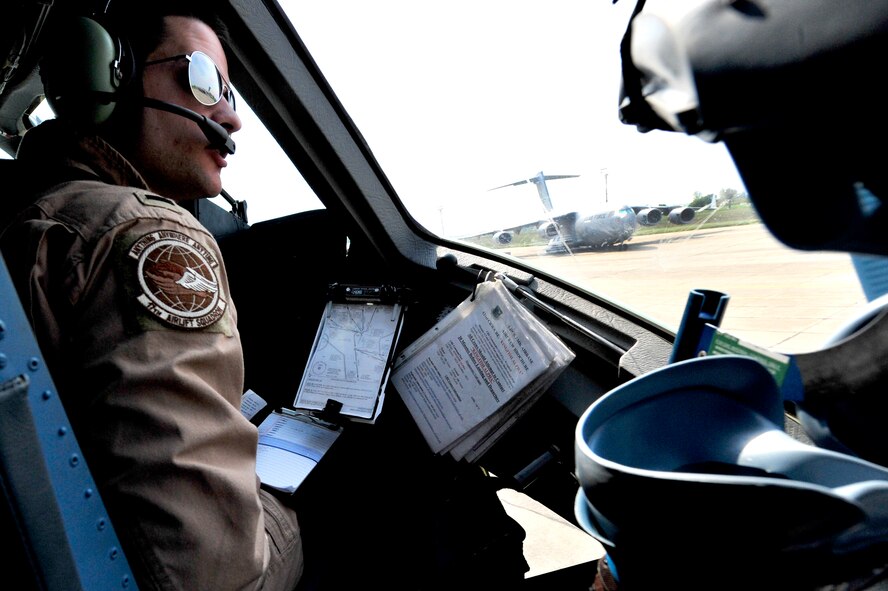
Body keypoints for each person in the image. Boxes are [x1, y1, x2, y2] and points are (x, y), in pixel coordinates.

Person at [0, 2, 304, 589]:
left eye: (230, 94)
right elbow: (215, 576)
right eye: (203, 80)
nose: (231, 118)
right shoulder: (143, 231)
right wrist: (283, 512)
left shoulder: (35, 211)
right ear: (111, 75)